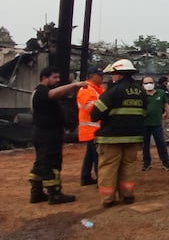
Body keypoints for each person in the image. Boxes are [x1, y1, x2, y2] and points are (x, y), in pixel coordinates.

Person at [91, 59, 146, 208]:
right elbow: (144, 113)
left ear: (120, 75)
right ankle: (128, 195)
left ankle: (108, 199)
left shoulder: (112, 92)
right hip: (133, 137)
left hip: (111, 137)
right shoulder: (141, 92)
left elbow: (95, 114)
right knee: (128, 166)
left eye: (113, 74)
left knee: (109, 167)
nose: (112, 77)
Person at [28, 67, 86, 204]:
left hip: (45, 133)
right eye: (55, 77)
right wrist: (74, 85)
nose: (58, 80)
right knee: (51, 162)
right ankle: (55, 193)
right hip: (47, 134)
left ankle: (36, 192)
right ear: (45, 77)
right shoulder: (41, 92)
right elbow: (53, 94)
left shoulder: (42, 92)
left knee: (41, 162)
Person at [77, 66, 105, 186]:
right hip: (92, 129)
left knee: (90, 154)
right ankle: (101, 179)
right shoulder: (86, 89)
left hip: (94, 128)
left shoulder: (97, 89)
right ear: (92, 75)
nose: (102, 77)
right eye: (99, 75)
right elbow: (90, 108)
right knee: (97, 155)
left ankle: (85, 177)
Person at [141, 76, 169, 172]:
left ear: (154, 83)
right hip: (144, 123)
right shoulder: (141, 95)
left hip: (157, 123)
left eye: (150, 82)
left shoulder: (161, 93)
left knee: (161, 143)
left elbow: (166, 104)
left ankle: (166, 163)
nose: (148, 85)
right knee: (145, 145)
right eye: (146, 83)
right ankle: (146, 163)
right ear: (142, 85)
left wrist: (166, 114)